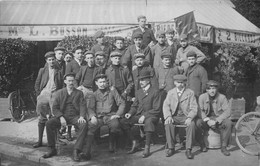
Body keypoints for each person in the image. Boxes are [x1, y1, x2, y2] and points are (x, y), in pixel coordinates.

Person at [43, 73, 90, 162]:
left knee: (83, 124)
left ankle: (77, 149)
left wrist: (81, 116)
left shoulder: (79, 93)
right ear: (65, 82)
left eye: (72, 80)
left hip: (75, 116)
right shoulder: (60, 93)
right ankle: (52, 149)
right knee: (49, 123)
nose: (71, 82)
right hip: (62, 115)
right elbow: (55, 107)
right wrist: (60, 117)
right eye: (69, 81)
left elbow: (83, 106)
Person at [120, 70, 161, 158]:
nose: (141, 82)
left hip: (151, 115)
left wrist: (144, 115)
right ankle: (135, 143)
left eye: (143, 80)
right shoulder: (138, 92)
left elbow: (156, 109)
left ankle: (147, 148)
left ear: (149, 80)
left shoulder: (155, 91)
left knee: (149, 122)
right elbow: (135, 106)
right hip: (139, 115)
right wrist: (130, 113)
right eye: (140, 80)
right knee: (123, 121)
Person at [81, 74, 125, 156]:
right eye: (100, 82)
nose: (102, 84)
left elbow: (122, 103)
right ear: (96, 83)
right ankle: (87, 151)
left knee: (115, 125)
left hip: (110, 116)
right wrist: (92, 116)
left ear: (107, 82)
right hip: (99, 117)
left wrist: (118, 114)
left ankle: (111, 144)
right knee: (91, 126)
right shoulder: (93, 94)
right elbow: (90, 108)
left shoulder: (112, 91)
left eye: (104, 82)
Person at [163, 75, 206, 159]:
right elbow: (166, 106)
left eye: (182, 82)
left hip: (185, 116)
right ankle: (171, 148)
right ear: (175, 83)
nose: (180, 84)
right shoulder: (170, 93)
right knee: (168, 124)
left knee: (192, 124)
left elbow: (194, 108)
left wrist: (190, 117)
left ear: (185, 83)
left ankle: (188, 149)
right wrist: (168, 116)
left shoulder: (190, 93)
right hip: (174, 116)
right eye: (178, 82)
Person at [33, 51, 63, 149]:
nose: (51, 62)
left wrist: (59, 95)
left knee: (54, 116)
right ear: (46, 61)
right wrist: (39, 95)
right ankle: (40, 140)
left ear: (55, 60)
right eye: (49, 60)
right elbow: (37, 84)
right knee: (42, 118)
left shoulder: (59, 71)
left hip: (55, 94)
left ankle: (56, 140)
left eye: (53, 59)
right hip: (44, 94)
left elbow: (62, 85)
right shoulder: (42, 70)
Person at [198, 80, 232, 156]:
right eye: (209, 88)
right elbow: (199, 111)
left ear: (217, 89)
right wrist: (207, 120)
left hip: (218, 119)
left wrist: (217, 120)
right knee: (197, 123)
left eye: (213, 88)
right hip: (207, 119)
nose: (212, 91)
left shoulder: (222, 97)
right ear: (206, 90)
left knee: (228, 123)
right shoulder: (202, 97)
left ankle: (224, 147)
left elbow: (228, 111)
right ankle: (202, 144)